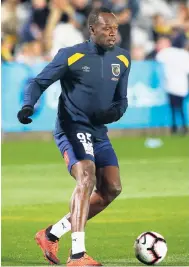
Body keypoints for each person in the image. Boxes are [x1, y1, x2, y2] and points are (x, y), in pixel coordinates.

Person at [17, 7, 131, 266]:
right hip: (71, 127)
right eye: (107, 29)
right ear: (92, 30)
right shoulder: (72, 55)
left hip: (98, 132)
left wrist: (113, 114)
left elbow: (121, 100)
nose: (113, 34)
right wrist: (28, 105)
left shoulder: (123, 59)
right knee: (86, 177)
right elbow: (38, 83)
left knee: (111, 189)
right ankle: (77, 254)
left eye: (115, 28)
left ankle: (51, 234)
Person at [156, 36, 189, 134]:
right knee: (181, 108)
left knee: (173, 108)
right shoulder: (184, 54)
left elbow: (158, 58)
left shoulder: (165, 53)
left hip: (171, 85)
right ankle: (183, 128)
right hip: (182, 86)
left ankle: (174, 128)